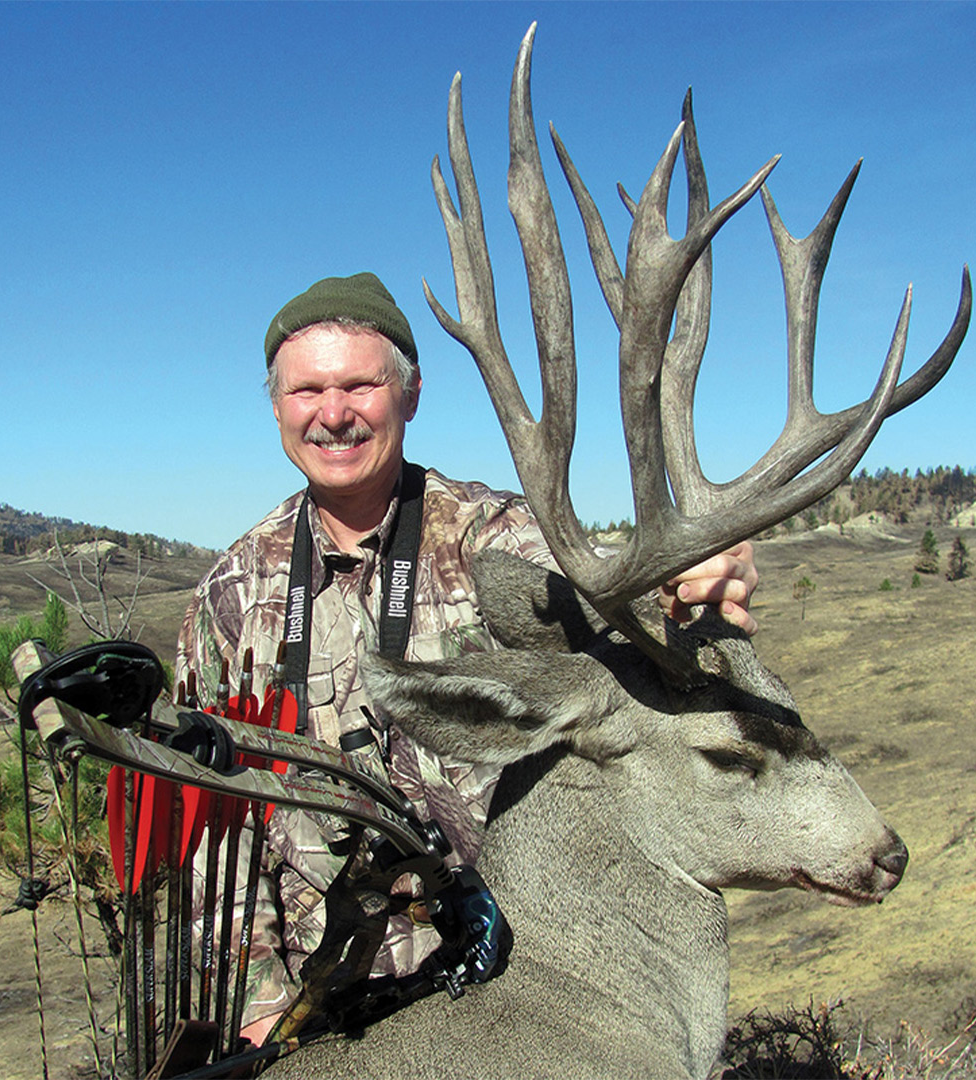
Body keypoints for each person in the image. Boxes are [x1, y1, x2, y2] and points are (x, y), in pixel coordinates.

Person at [175, 272, 759, 1045]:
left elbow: (631, 625)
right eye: (306, 390)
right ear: (277, 406)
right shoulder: (233, 591)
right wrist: (257, 1009)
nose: (333, 414)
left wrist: (693, 584)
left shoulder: (496, 539)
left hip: (514, 985)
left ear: (410, 395)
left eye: (360, 385)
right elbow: (207, 821)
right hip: (313, 1018)